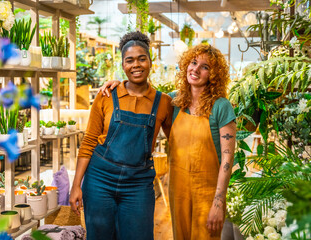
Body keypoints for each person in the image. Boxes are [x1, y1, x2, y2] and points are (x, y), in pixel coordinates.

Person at [100, 44, 236, 240]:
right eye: (193, 62)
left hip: (207, 192)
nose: (196, 69)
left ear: (214, 75)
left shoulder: (220, 106)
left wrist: (218, 202)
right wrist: (119, 85)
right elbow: (141, 94)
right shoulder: (173, 102)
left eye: (204, 67)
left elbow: (227, 159)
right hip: (178, 189)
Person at [69, 31, 173, 240]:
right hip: (100, 180)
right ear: (123, 64)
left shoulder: (163, 102)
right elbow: (89, 141)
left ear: (150, 61)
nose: (136, 65)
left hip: (138, 184)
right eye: (130, 60)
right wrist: (76, 185)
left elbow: (175, 142)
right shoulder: (107, 95)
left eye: (142, 58)